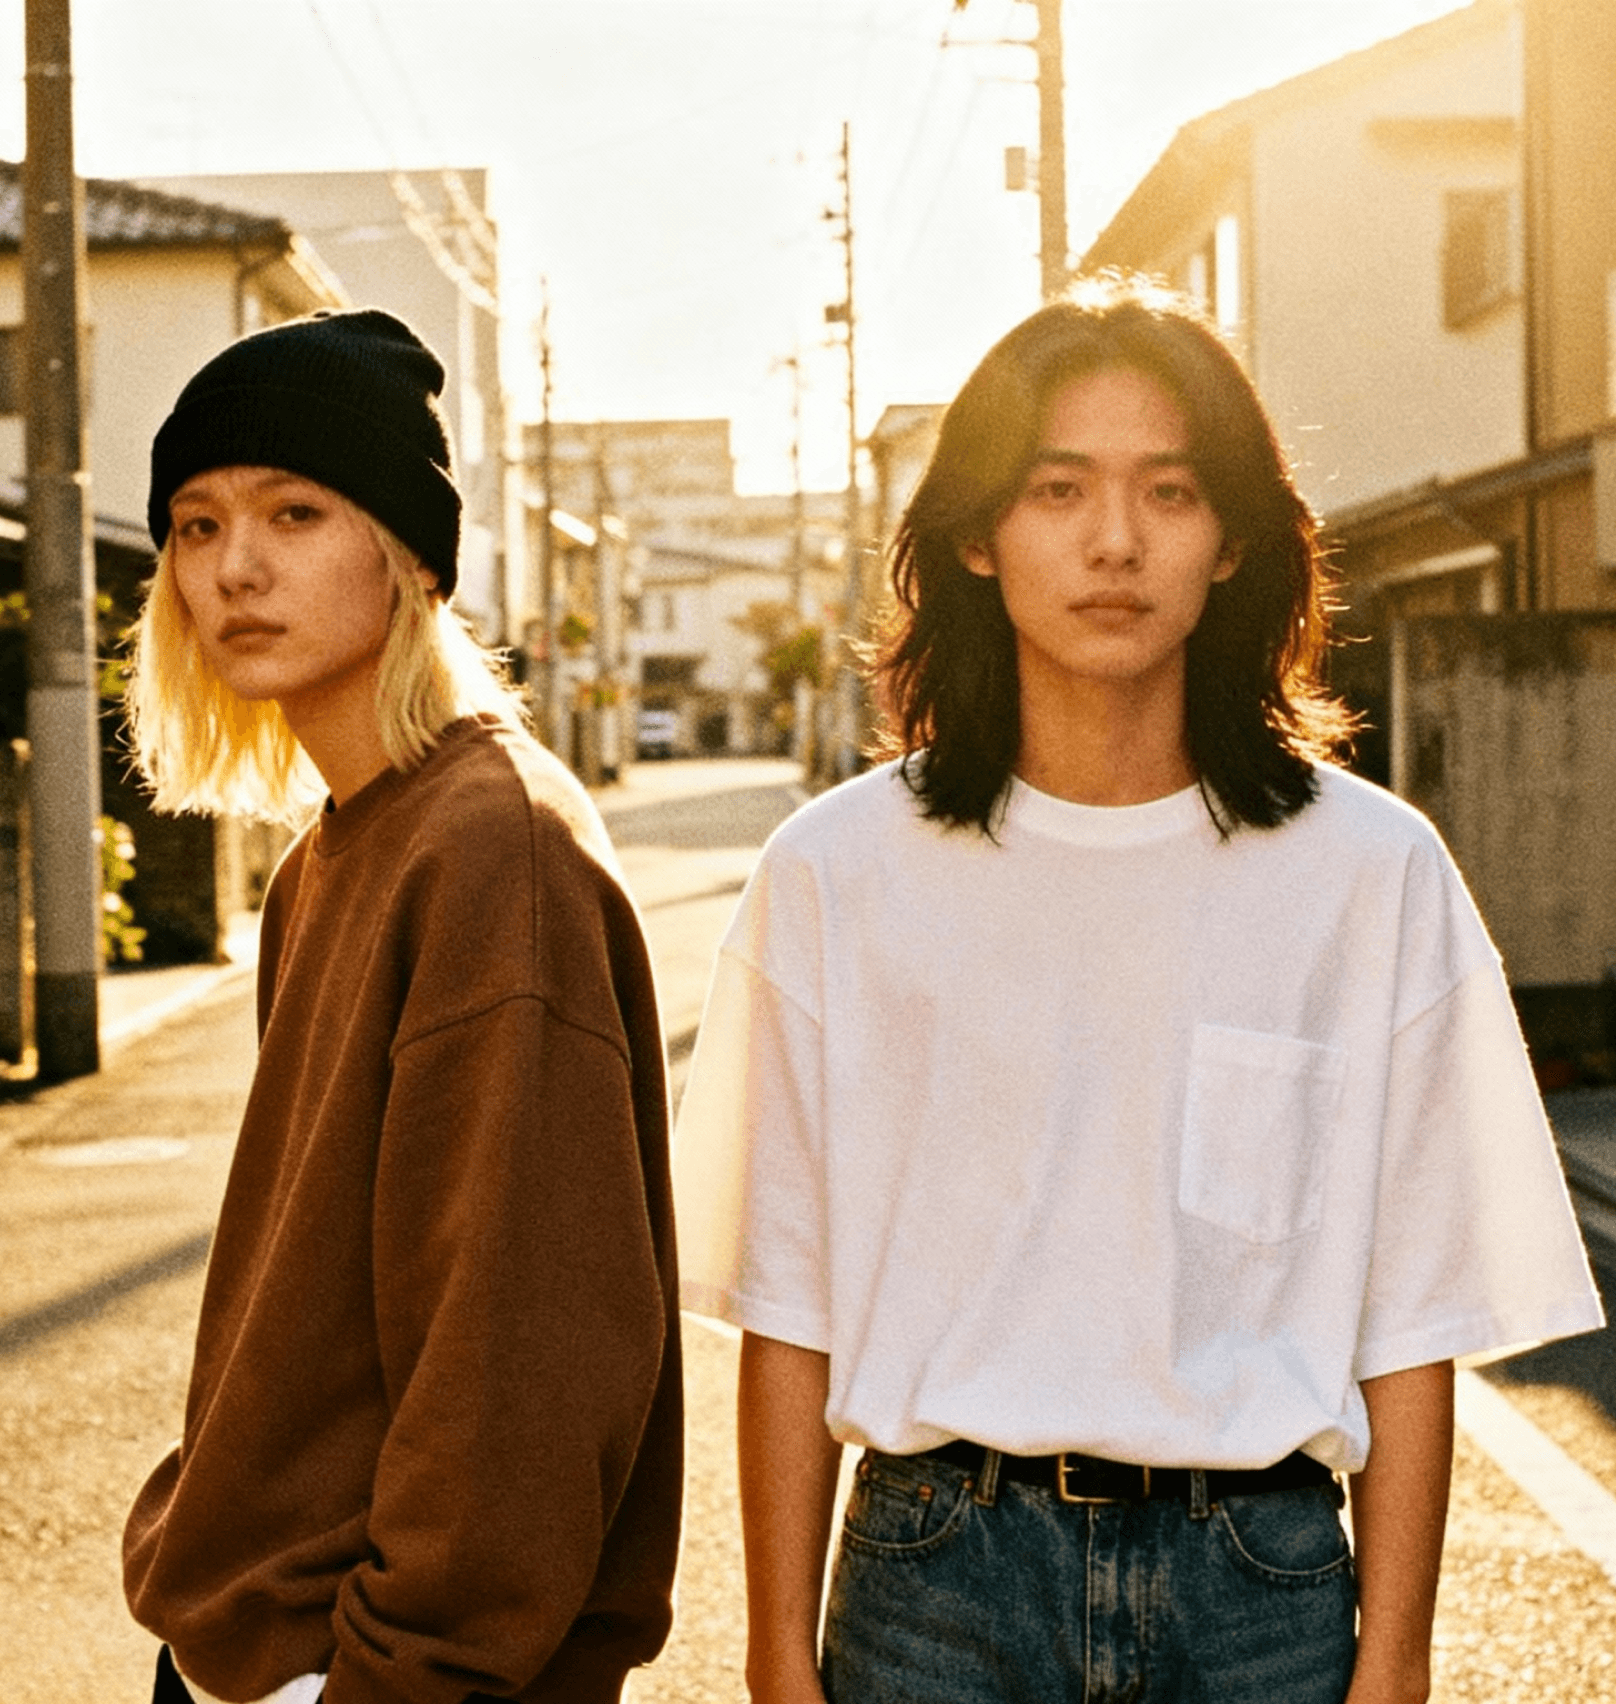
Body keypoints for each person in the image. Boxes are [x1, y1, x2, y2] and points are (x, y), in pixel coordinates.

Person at [672, 275, 1604, 1704]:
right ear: (979, 532)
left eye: (1170, 490)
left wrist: (1397, 1665)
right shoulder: (837, 873)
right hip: (937, 1584)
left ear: (1234, 536)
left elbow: (1409, 1320)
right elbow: (788, 1303)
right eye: (1060, 489)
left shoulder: (1368, 873)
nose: (1116, 541)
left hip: (1262, 1594)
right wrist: (775, 1665)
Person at [121, 308, 681, 1704]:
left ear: (408, 554)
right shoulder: (331, 857)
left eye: (295, 511)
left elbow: (521, 1363)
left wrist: (394, 1678)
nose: (234, 567)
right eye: (194, 524)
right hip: (260, 1649)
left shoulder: (498, 851)